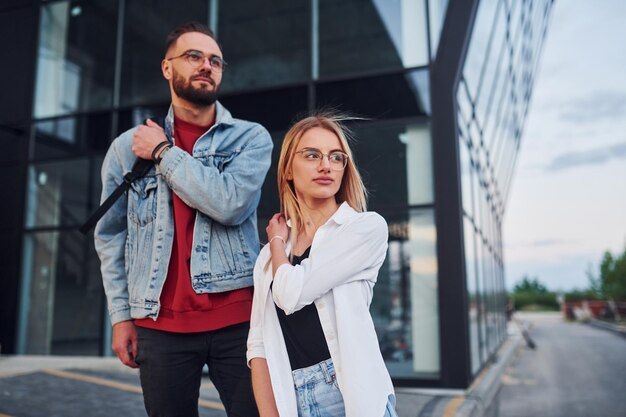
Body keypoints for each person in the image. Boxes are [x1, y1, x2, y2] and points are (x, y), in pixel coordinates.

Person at [94, 21, 272, 417]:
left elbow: (230, 204)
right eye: (193, 56)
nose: (206, 66)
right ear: (167, 68)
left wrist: (163, 152)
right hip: (159, 326)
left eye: (215, 60)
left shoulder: (249, 138)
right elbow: (110, 237)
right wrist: (122, 317)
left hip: (240, 321)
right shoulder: (126, 148)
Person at [247, 113, 398, 417]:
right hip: (292, 397)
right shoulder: (268, 260)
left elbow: (290, 293)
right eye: (312, 155)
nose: (326, 165)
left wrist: (276, 241)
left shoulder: (364, 229)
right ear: (288, 168)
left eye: (336, 157)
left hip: (351, 396)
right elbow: (259, 346)